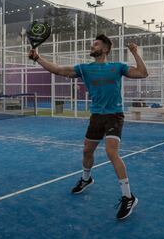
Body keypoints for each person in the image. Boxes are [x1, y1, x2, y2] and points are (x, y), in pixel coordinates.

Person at [28, 34, 148, 219]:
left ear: (105, 49)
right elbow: (58, 70)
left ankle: (128, 196)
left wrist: (135, 53)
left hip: (114, 115)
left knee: (111, 152)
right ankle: (86, 179)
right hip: (96, 116)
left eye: (96, 44)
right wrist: (38, 58)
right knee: (86, 151)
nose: (92, 47)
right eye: (92, 44)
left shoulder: (117, 67)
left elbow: (142, 73)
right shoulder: (84, 69)